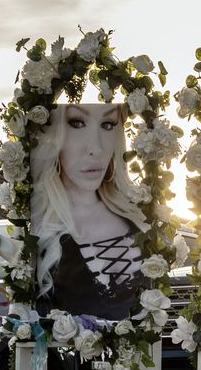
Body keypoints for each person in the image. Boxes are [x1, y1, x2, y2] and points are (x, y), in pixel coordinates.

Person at [30, 101, 150, 320]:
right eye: (77, 123)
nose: (96, 148)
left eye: (107, 125)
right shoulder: (38, 229)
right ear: (53, 136)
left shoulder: (138, 216)